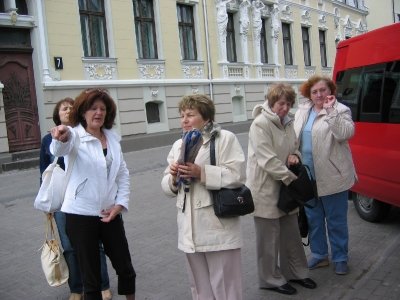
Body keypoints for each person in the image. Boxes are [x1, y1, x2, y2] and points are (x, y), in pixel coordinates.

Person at [49, 89, 136, 300]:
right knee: (92, 279)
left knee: (125, 268)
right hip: (80, 216)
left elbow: (122, 174)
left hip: (110, 214)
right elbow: (59, 149)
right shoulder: (74, 136)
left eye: (102, 109)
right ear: (82, 112)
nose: (98, 112)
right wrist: (60, 137)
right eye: (93, 108)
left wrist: (119, 205)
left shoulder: (112, 139)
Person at [161, 94, 245, 300]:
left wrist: (202, 173)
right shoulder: (178, 145)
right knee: (199, 289)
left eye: (190, 114)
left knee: (226, 289)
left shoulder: (224, 138)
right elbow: (166, 186)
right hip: (189, 230)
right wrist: (172, 178)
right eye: (182, 115)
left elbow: (238, 176)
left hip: (218, 227)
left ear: (206, 117)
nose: (184, 120)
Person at [246, 83, 317, 295]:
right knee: (268, 240)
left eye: (288, 103)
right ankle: (271, 279)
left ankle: (296, 273)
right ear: (271, 102)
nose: (285, 108)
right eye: (280, 103)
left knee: (291, 234)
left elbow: (293, 147)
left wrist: (295, 156)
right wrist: (292, 179)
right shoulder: (260, 124)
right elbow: (267, 160)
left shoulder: (288, 122)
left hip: (286, 187)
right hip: (265, 188)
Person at [39, 98, 112, 300]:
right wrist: (47, 204)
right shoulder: (48, 140)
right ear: (57, 114)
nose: (68, 110)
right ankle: (76, 288)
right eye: (64, 108)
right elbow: (44, 170)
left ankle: (103, 284)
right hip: (62, 199)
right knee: (70, 247)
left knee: (95, 244)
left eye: (72, 107)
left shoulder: (85, 134)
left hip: (84, 197)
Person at [294, 75, 357, 275]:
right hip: (307, 176)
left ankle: (340, 257)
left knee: (336, 220)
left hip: (333, 175)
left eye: (323, 90)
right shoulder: (302, 111)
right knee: (314, 219)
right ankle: (320, 255)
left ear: (331, 91)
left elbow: (345, 134)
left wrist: (330, 112)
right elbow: (294, 139)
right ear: (309, 95)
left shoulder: (340, 110)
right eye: (315, 91)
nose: (319, 94)